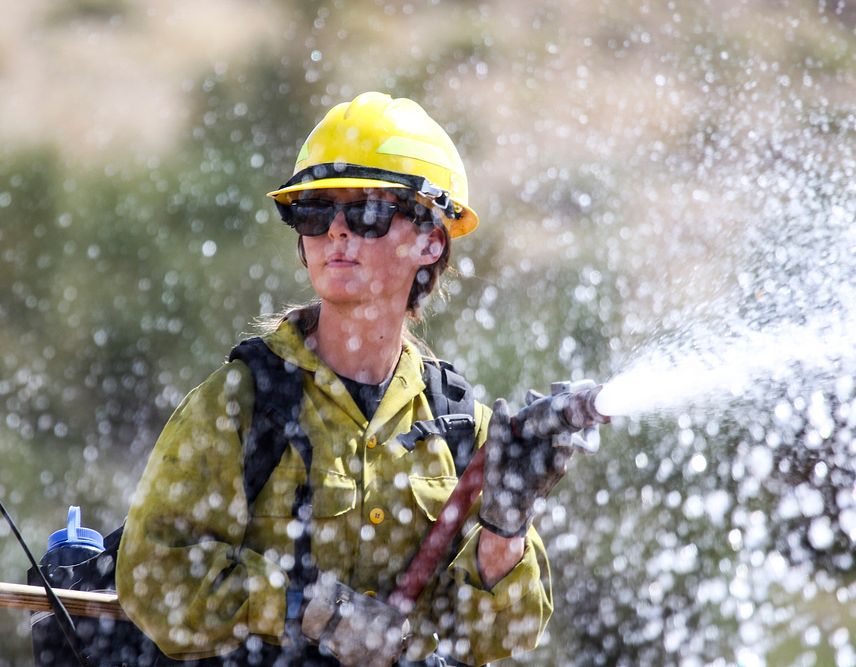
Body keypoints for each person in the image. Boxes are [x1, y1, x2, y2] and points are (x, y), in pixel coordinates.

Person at [117, 92, 578, 666]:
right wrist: (311, 609)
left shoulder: (460, 430)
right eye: (313, 212)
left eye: (365, 210)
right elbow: (154, 576)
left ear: (432, 239)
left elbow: (497, 638)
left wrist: (505, 525)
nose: (335, 231)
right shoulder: (242, 405)